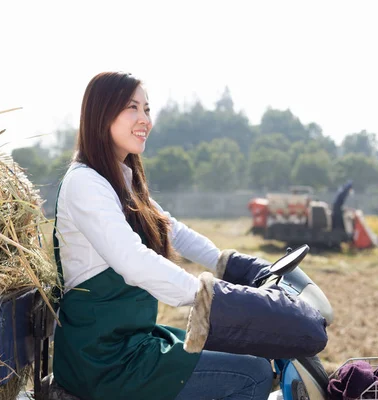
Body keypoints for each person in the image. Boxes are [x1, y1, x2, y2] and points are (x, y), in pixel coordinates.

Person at [52, 72, 328, 400]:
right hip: (104, 361)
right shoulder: (86, 184)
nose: (145, 119)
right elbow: (133, 261)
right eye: (132, 108)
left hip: (128, 344)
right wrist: (213, 297)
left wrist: (231, 264)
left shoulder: (120, 181)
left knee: (247, 356)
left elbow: (173, 230)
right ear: (101, 113)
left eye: (147, 109)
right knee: (251, 373)